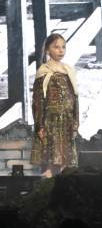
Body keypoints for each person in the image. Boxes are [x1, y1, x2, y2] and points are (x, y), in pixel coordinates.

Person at [31, 32, 80, 176]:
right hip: (50, 123)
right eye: (56, 47)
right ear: (47, 49)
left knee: (65, 163)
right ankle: (47, 186)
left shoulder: (68, 71)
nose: (61, 50)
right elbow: (38, 100)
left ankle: (61, 186)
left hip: (67, 121)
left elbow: (74, 97)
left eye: (63, 47)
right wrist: (39, 125)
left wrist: (75, 121)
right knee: (50, 162)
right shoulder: (44, 72)